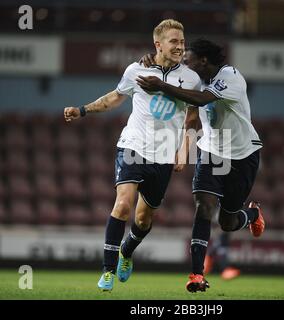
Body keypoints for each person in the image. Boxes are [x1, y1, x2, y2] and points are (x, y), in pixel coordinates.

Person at [63, 19, 201, 291]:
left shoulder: (191, 78)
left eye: (182, 42)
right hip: (133, 146)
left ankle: (127, 251)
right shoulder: (136, 70)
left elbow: (192, 118)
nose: (179, 47)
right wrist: (83, 110)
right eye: (174, 41)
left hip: (162, 157)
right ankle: (107, 270)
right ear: (157, 44)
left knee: (143, 219)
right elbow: (115, 97)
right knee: (123, 205)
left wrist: (185, 151)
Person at [137, 39, 265, 292]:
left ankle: (251, 215)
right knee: (203, 207)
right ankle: (196, 274)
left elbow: (203, 100)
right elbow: (192, 113)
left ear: (203, 62)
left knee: (227, 222)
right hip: (211, 152)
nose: (184, 64)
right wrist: (150, 61)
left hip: (242, 155)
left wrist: (162, 85)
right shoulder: (195, 81)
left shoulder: (231, 77)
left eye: (188, 60)